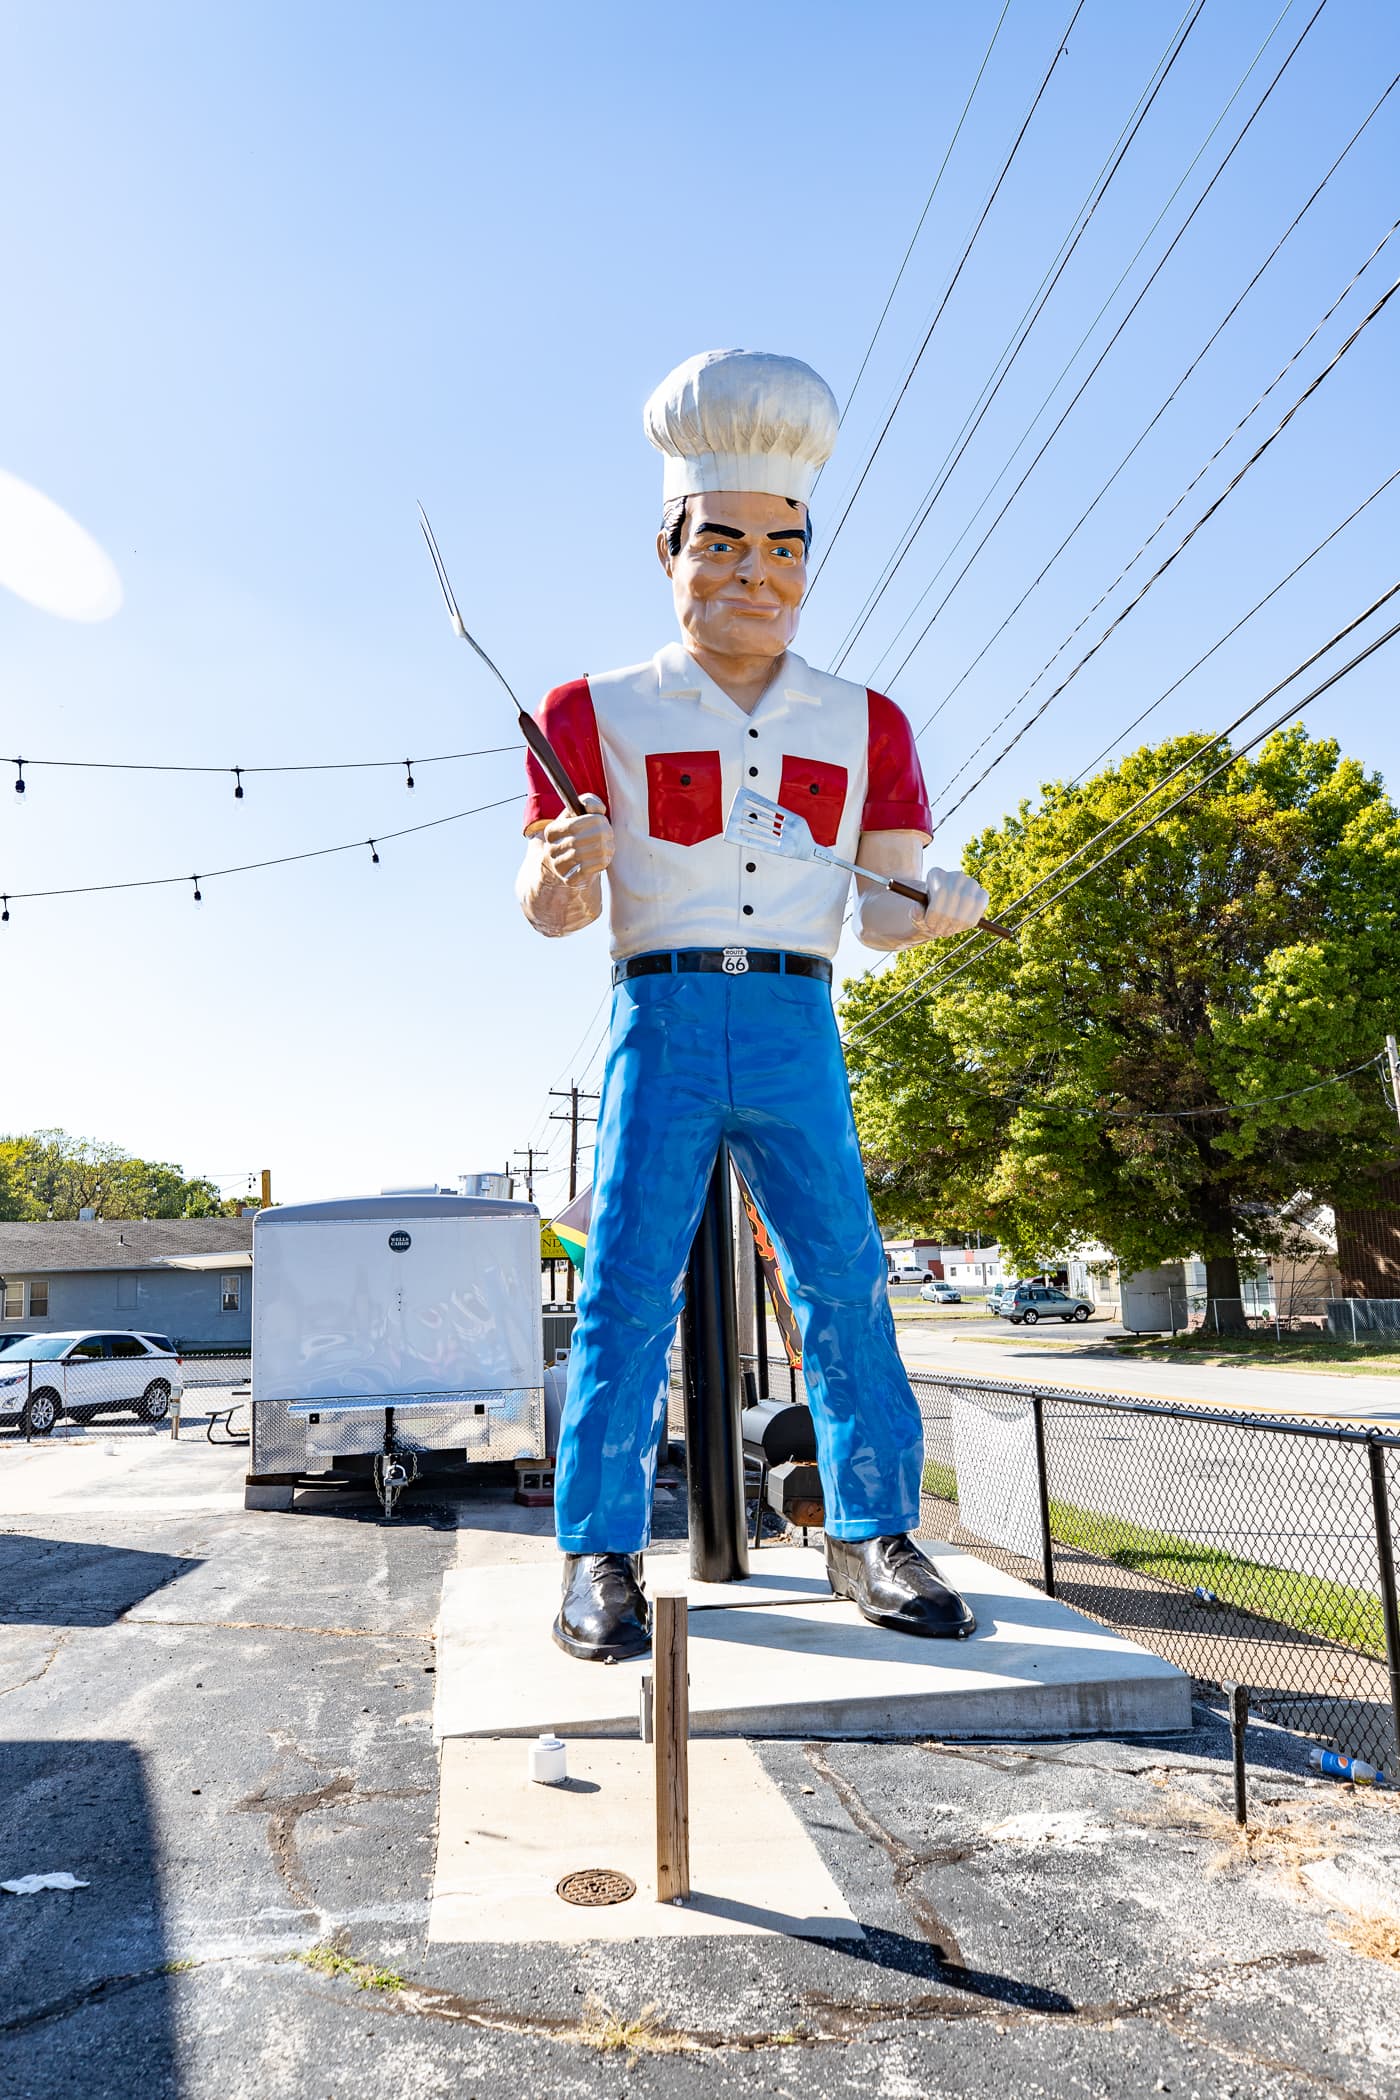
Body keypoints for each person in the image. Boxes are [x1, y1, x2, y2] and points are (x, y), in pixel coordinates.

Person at [517, 349, 989, 1661]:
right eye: (721, 545)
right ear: (668, 547)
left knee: (844, 1273)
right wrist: (560, 871)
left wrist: (931, 904)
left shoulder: (866, 722)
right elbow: (549, 908)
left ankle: (875, 1530)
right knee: (623, 1282)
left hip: (795, 1016)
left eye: (785, 549)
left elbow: (884, 914)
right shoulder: (588, 710)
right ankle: (598, 1551)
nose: (755, 576)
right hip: (658, 1011)